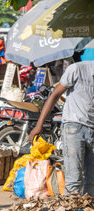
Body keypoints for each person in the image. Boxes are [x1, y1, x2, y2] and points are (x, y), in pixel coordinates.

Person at [30, 61, 94, 196]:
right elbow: (54, 95)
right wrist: (39, 125)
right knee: (74, 179)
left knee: (92, 180)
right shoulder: (76, 69)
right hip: (74, 127)